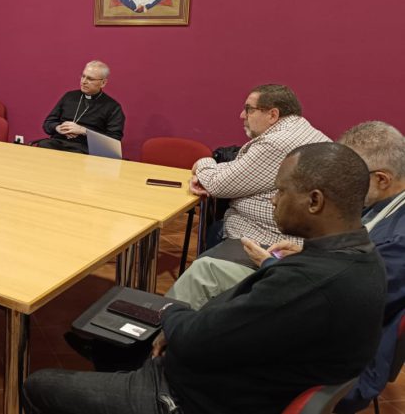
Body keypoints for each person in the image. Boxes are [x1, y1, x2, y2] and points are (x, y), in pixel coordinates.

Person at [24, 143, 387, 414]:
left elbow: (197, 340)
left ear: (314, 201)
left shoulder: (307, 285)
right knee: (112, 335)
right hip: (248, 380)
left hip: (189, 398)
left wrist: (170, 313)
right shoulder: (361, 259)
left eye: (279, 191)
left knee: (38, 384)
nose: (273, 201)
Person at [241, 121, 405, 413]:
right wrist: (309, 251)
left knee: (212, 283)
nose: (339, 184)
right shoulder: (384, 207)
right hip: (326, 317)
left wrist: (271, 265)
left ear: (381, 179)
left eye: (350, 175)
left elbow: (350, 293)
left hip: (336, 352)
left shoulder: (399, 241)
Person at [166, 84, 329, 307]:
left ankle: (162, 333)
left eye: (249, 109)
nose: (242, 115)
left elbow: (217, 184)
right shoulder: (302, 131)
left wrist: (204, 163)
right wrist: (217, 175)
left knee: (200, 271)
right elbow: (237, 173)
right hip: (283, 233)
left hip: (264, 237)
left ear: (273, 114)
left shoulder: (276, 143)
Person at [37, 60, 125, 154]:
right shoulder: (69, 96)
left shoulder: (113, 107)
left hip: (86, 149)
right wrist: (58, 128)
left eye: (90, 79)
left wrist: (84, 131)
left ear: (103, 83)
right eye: (83, 76)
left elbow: (114, 141)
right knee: (43, 145)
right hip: (59, 143)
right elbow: (48, 123)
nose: (83, 81)